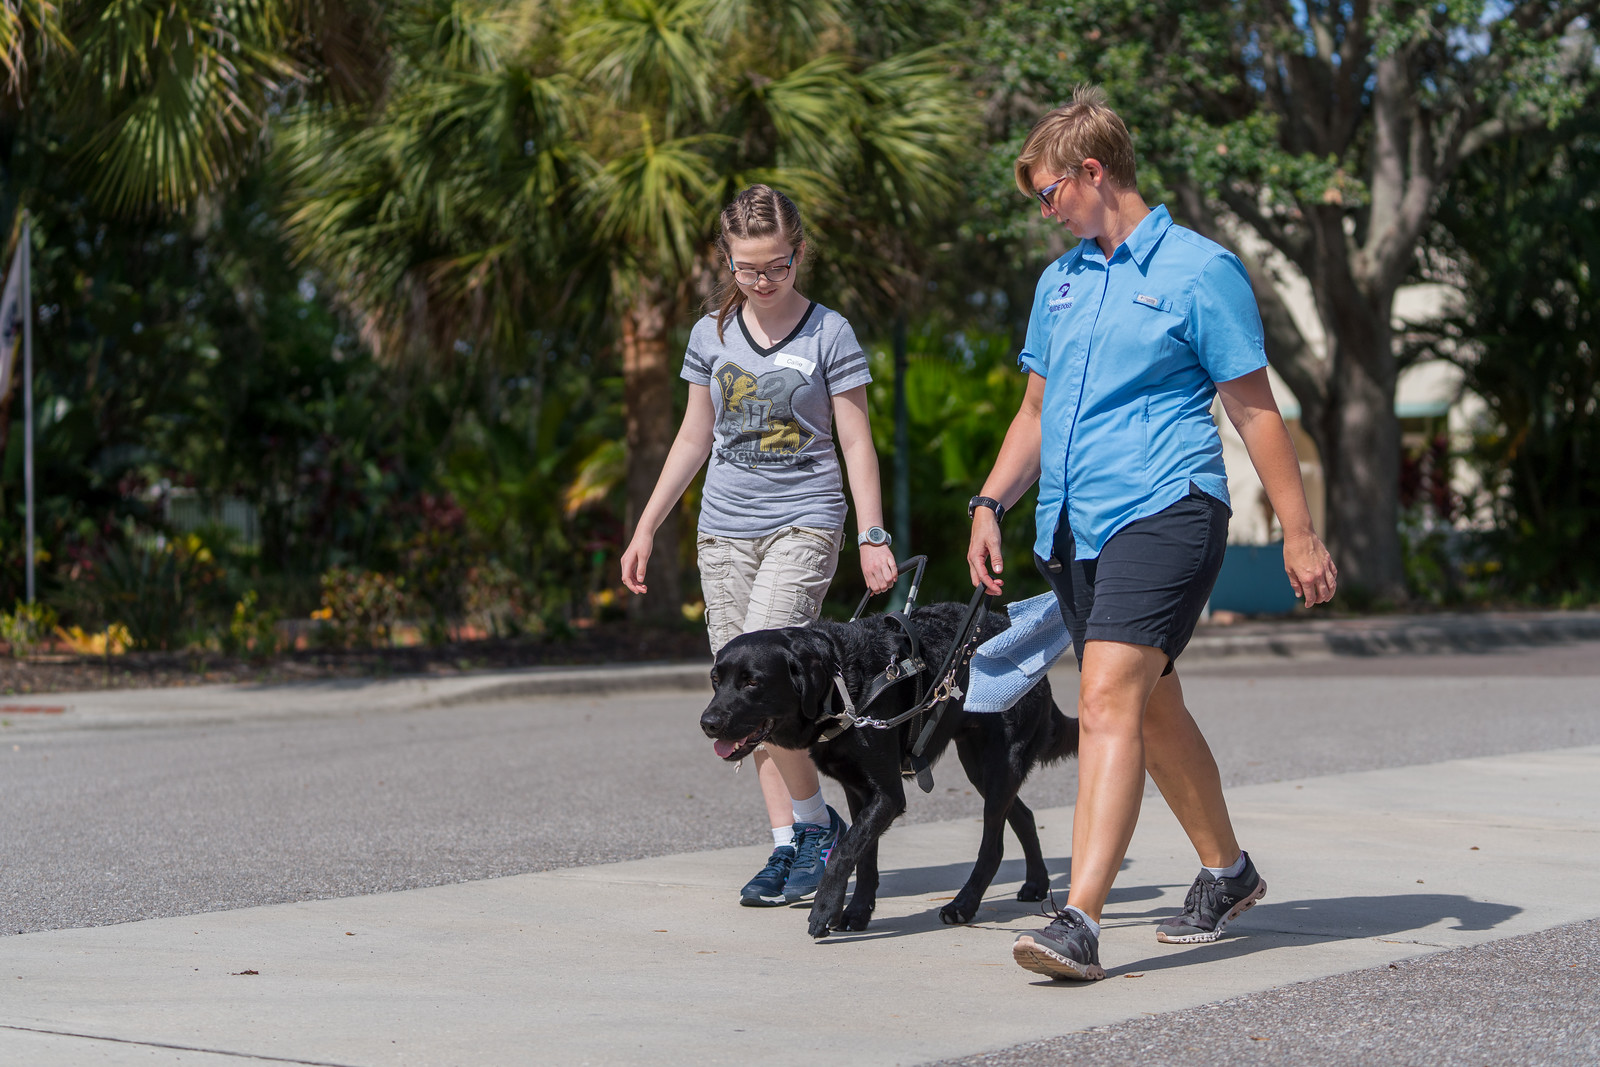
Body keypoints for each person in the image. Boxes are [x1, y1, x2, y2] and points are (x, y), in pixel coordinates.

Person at [965, 86, 1338, 981]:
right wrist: (989, 503)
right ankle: (1229, 869)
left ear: (1093, 173)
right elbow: (1036, 412)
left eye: (1048, 193)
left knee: (1104, 702)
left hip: (1167, 509)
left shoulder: (1198, 270)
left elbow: (1253, 411)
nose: (1044, 211)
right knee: (1149, 703)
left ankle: (1078, 920)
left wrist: (1300, 532)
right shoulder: (1059, 283)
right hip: (1074, 526)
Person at [621, 184, 900, 907]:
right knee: (741, 697)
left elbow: (856, 437)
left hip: (804, 520)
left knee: (768, 679)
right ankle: (795, 841)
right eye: (748, 268)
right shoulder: (708, 335)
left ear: (798, 252)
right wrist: (648, 524)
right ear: (728, 261)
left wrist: (871, 533)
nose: (764, 280)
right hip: (724, 529)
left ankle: (812, 834)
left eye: (777, 265)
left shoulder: (828, 332)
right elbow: (693, 436)